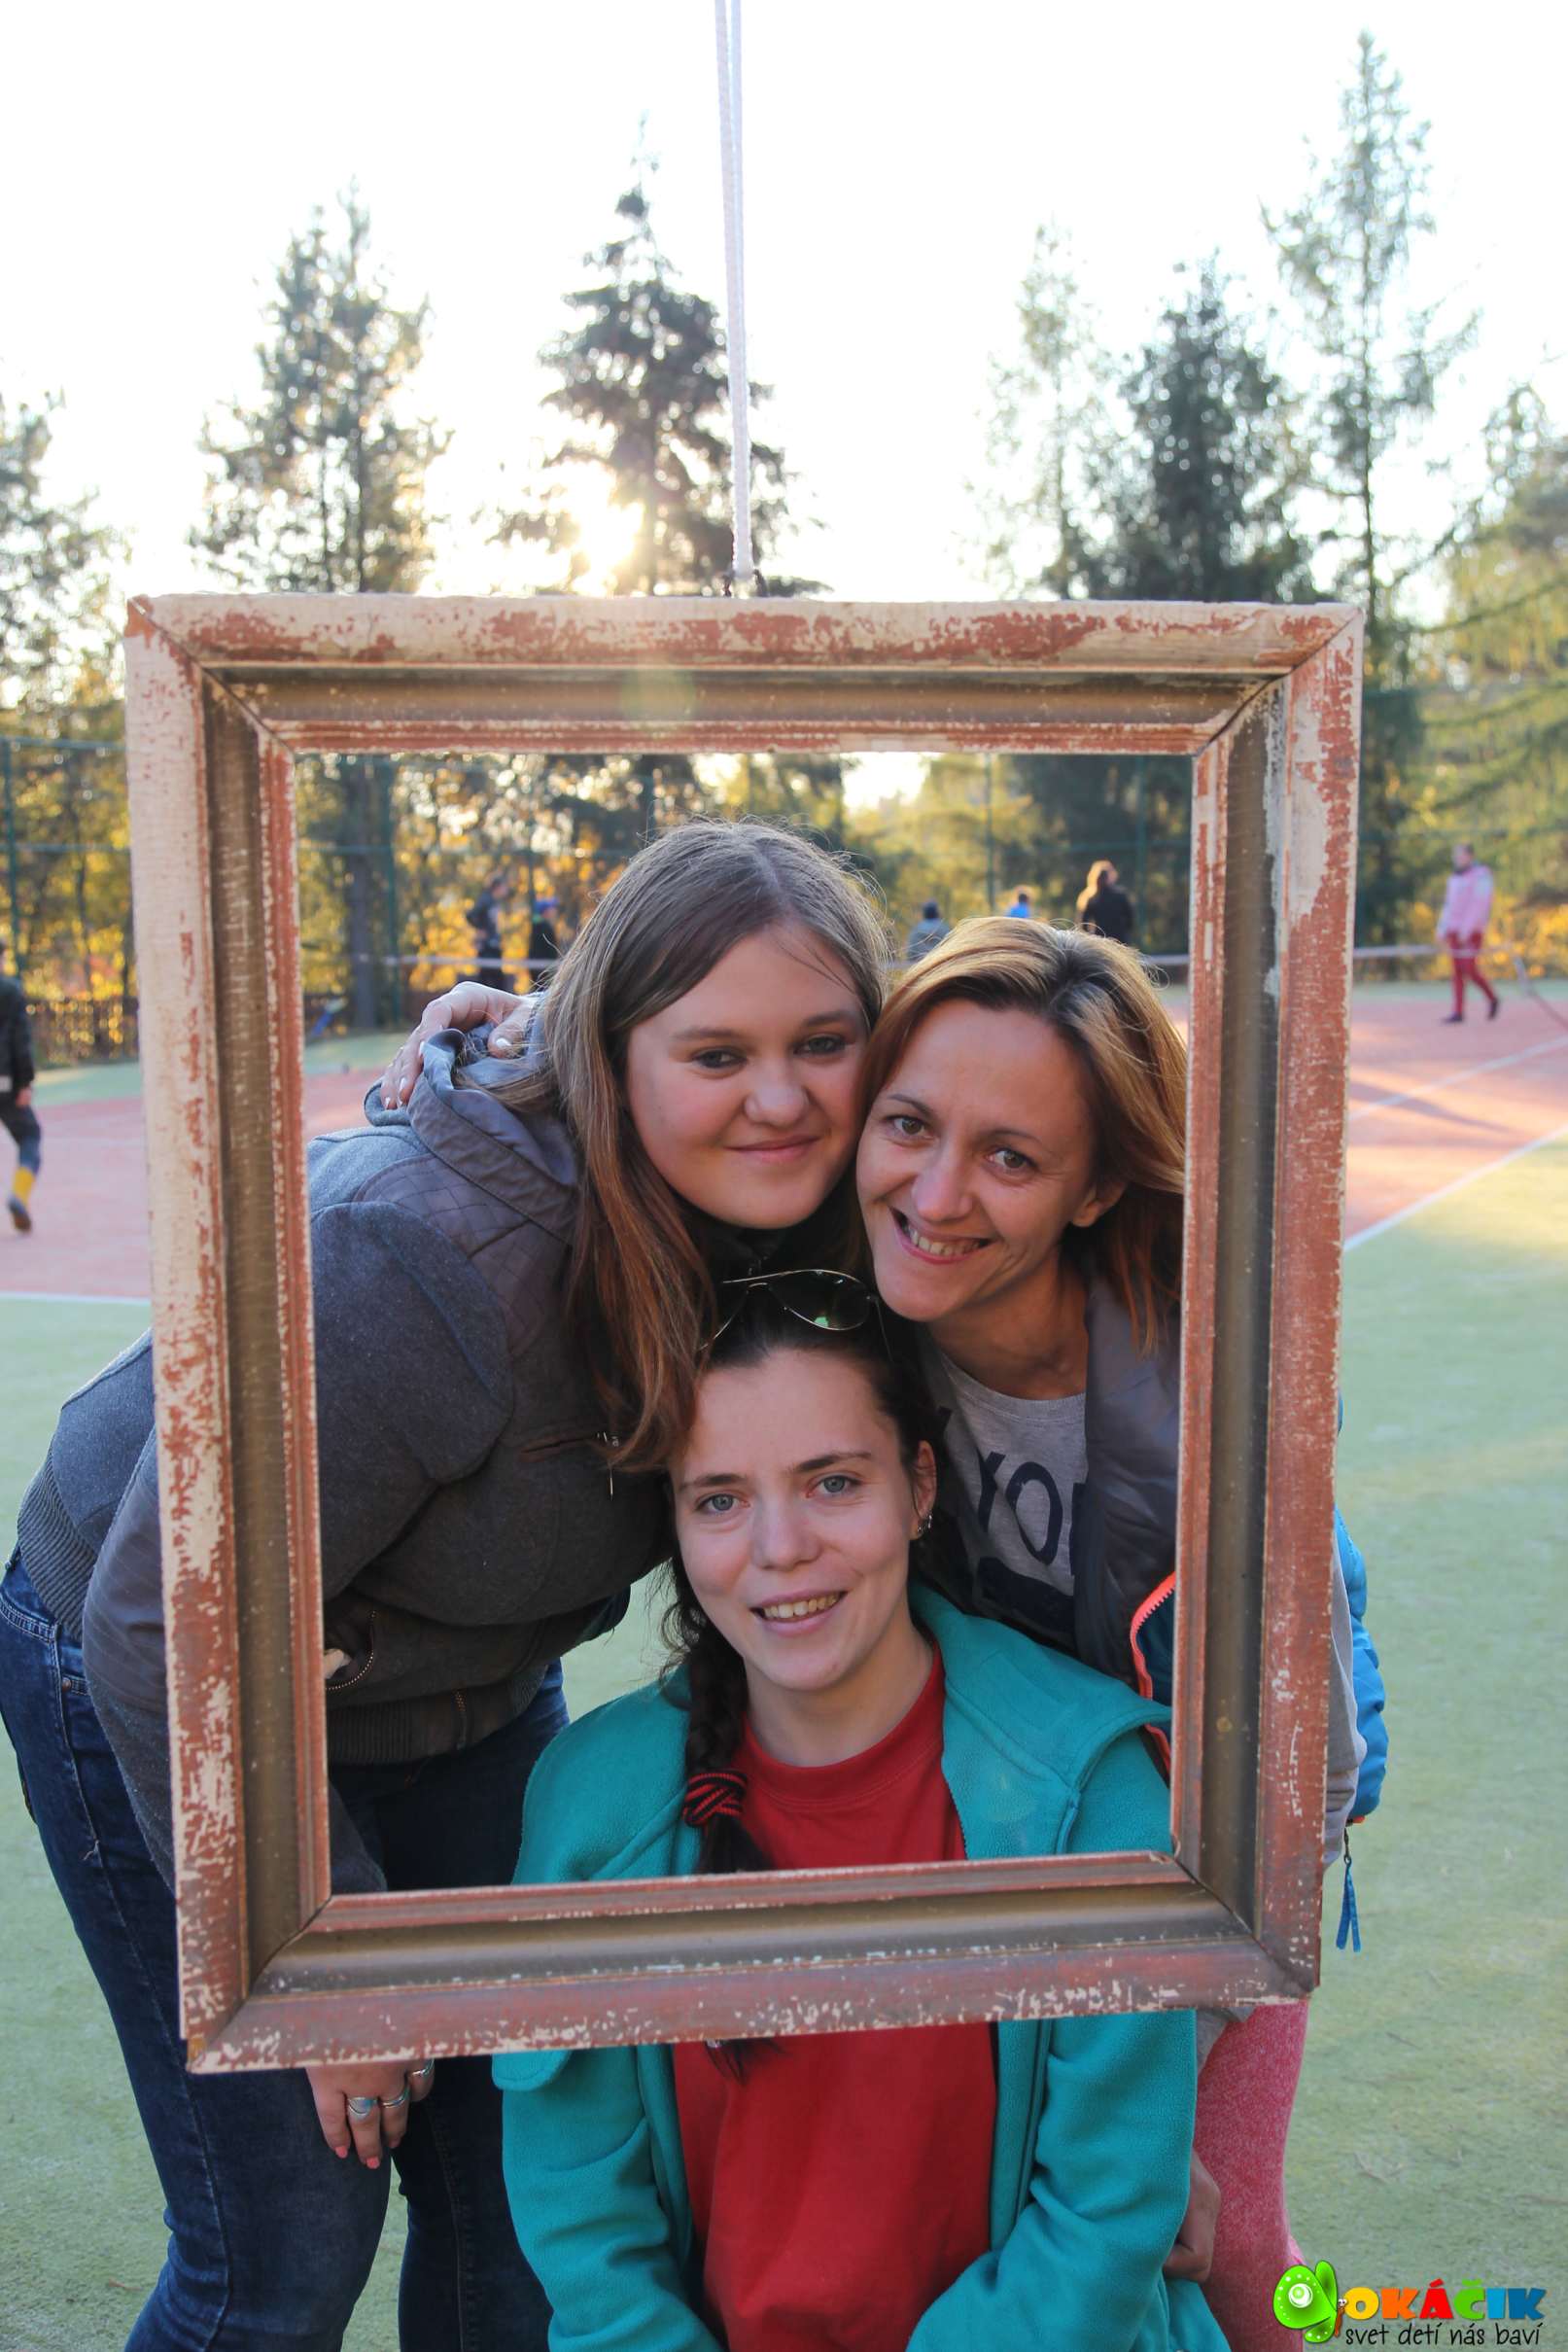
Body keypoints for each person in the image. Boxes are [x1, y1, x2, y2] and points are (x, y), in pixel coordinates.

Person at [0, 818, 889, 2352]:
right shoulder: (426, 1259)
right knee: (288, 2243)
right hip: (163, 1666)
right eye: (717, 1051)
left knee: (521, 2193)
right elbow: (163, 1624)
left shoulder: (787, 1207)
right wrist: (319, 1955)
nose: (781, 1093)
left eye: (824, 1042)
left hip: (452, 1673)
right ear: (616, 1055)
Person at [495, 1294, 1228, 2352]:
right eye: (719, 1499)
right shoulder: (594, 1808)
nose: (781, 1547)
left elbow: (1099, 2219)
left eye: (832, 1482)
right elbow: (584, 2227)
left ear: (920, 1485)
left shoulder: (1088, 1791)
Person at [853, 918, 1387, 2352]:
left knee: (1225, 2239)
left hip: (1216, 1853)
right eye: (907, 1124)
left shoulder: (1219, 1396)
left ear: (1093, 1187)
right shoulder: (845, 1310)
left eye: (1010, 1157)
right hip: (999, 1831)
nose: (936, 1193)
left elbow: (1303, 1788)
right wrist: (511, 1040)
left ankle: (1398, 2326)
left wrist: (1147, 2084)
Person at [1436, 841, 1500, 1023]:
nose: (1457, 858)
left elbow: (1480, 905)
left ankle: (1492, 998)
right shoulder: (1454, 878)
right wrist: (1442, 928)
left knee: (1469, 969)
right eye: (1455, 855)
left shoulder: (1482, 876)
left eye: (1461, 854)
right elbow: (1448, 906)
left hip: (1471, 932)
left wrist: (1467, 929)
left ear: (1470, 856)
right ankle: (1458, 1011)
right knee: (1457, 970)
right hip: (1454, 930)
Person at [1, 954, 41, 1233]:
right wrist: (25, 1082)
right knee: (30, 1136)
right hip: (4, 1082)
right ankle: (19, 1195)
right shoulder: (10, 991)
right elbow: (20, 1040)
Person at [468, 868, 514, 989]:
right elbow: (471, 915)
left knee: (491, 978)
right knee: (492, 979)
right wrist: (480, 929)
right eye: (504, 887)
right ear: (497, 887)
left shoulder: (494, 902)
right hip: (487, 946)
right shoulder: (486, 900)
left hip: (493, 945)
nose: (506, 890)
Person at [1076, 859, 1135, 945]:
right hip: (1119, 941)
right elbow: (1130, 920)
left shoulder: (1090, 898)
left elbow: (1083, 924)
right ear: (1110, 877)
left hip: (1099, 943)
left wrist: (1090, 940)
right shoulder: (1120, 896)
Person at [527, 894, 562, 984]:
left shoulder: (537, 925)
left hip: (539, 966)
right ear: (545, 911)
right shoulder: (544, 927)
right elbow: (551, 948)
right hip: (543, 967)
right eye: (551, 908)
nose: (554, 911)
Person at [906, 897, 950, 963]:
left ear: (924, 913)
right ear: (936, 912)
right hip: (943, 965)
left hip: (921, 966)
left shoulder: (916, 930)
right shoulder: (945, 929)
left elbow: (910, 953)